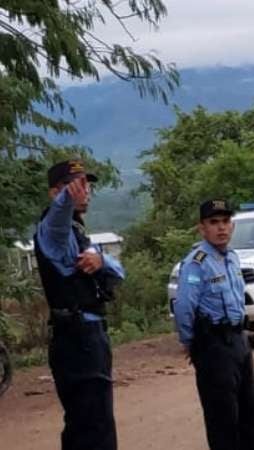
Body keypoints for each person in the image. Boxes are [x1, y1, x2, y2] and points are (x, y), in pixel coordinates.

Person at [34, 159, 125, 450]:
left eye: (86, 185)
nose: (84, 191)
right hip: (76, 337)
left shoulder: (78, 233)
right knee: (94, 428)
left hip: (91, 334)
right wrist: (66, 198)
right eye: (74, 185)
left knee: (87, 424)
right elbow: (59, 214)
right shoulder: (54, 231)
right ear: (54, 192)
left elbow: (119, 272)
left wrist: (101, 260)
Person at [173, 199, 254, 450]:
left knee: (250, 416)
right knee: (223, 420)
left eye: (225, 221)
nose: (221, 227)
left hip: (239, 341)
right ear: (202, 228)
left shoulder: (232, 258)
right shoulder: (197, 262)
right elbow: (184, 306)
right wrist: (190, 342)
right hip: (214, 346)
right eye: (214, 222)